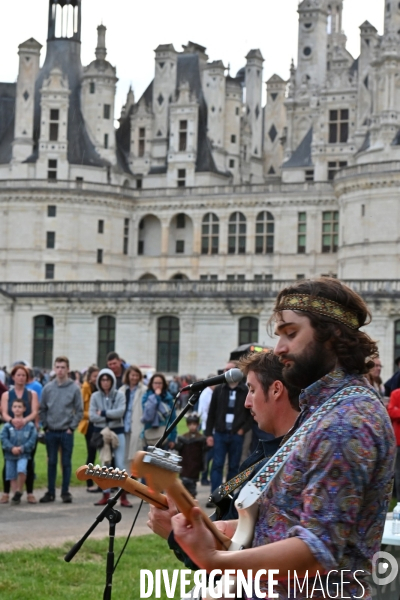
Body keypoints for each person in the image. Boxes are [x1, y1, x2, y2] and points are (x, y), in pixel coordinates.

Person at [171, 277, 396, 599]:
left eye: (291, 333)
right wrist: (224, 529)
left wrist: (215, 560)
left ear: (332, 335)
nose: (279, 349)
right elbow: (286, 518)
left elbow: (316, 553)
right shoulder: (323, 408)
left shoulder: (345, 421)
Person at [147, 350, 300, 571]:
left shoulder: (284, 465)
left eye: (252, 390)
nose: (247, 402)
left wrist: (175, 534)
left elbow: (237, 562)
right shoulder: (267, 457)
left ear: (276, 389)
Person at [39, 356, 83, 504]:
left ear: (68, 369)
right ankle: (50, 492)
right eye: (57, 367)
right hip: (51, 430)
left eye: (63, 367)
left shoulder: (74, 388)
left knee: (66, 462)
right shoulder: (48, 388)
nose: (60, 370)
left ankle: (65, 492)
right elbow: (42, 409)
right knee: (51, 462)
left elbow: (80, 410)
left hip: (66, 431)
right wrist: (45, 426)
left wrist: (72, 427)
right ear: (54, 368)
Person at [204, 361, 251, 501]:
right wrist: (208, 434)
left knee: (233, 466)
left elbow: (250, 414)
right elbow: (211, 413)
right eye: (225, 370)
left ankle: (228, 496)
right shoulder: (219, 389)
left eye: (230, 370)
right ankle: (215, 496)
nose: (227, 372)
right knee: (217, 465)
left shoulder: (245, 390)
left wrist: (243, 429)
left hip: (236, 434)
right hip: (220, 433)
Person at [89, 368, 130, 507]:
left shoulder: (120, 395)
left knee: (120, 464)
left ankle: (122, 495)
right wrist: (107, 416)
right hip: (102, 433)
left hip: (117, 432)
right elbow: (92, 416)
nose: (105, 382)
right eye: (103, 380)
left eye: (108, 380)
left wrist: (103, 413)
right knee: (104, 464)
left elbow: (120, 412)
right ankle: (105, 494)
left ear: (112, 381)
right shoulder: (95, 396)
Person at [1, 364, 39, 504]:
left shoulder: (31, 394)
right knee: (8, 461)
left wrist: (24, 420)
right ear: (13, 377)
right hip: (10, 430)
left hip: (27, 430)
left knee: (28, 462)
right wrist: (12, 420)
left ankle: (29, 492)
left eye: (24, 375)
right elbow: (4, 412)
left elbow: (35, 411)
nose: (21, 377)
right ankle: (6, 492)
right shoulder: (6, 395)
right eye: (18, 375)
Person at [119, 365, 147, 473]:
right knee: (124, 455)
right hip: (123, 425)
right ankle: (127, 481)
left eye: (136, 375)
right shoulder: (122, 390)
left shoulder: (144, 390)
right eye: (132, 375)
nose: (134, 378)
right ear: (128, 376)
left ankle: (136, 481)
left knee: (135, 455)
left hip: (137, 424)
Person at [77, 365, 100, 492]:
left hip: (99, 422)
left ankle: (103, 481)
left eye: (98, 376)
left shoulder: (99, 387)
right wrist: (93, 415)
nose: (96, 378)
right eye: (94, 376)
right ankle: (89, 481)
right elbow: (81, 409)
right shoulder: (86, 387)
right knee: (91, 453)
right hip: (90, 424)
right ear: (90, 377)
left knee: (102, 454)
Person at [141, 373, 177, 449]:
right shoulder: (146, 396)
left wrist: (173, 438)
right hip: (149, 435)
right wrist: (156, 397)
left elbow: (173, 419)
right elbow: (148, 413)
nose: (158, 385)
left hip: (164, 435)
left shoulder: (168, 398)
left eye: (160, 383)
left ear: (163, 384)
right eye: (155, 383)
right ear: (151, 384)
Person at [175, 413, 206, 498]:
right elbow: (179, 449)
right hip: (185, 466)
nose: (192, 426)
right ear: (187, 425)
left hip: (195, 467)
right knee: (184, 486)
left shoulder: (201, 439)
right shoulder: (183, 438)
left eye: (194, 424)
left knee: (192, 487)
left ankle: (192, 501)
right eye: (190, 424)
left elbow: (204, 452)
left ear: (197, 425)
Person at [198, 380, 215, 486]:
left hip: (211, 428)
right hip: (208, 428)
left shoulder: (210, 393)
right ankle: (204, 477)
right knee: (208, 455)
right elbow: (203, 412)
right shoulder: (206, 394)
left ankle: (206, 477)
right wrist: (209, 425)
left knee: (210, 455)